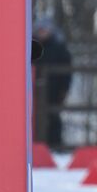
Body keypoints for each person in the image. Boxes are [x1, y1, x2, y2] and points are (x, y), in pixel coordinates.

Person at [32, 17, 72, 150]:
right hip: (34, 91)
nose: (42, 32)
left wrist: (64, 89)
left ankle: (55, 146)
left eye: (45, 30)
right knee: (34, 119)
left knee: (54, 118)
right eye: (40, 30)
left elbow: (66, 70)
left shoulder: (59, 47)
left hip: (54, 90)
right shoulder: (31, 45)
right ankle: (36, 146)